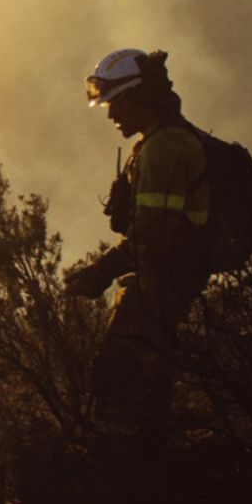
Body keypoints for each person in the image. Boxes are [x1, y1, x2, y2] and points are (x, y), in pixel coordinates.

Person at [65, 49, 211, 460]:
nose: (111, 115)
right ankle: (151, 451)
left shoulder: (165, 148)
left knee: (114, 371)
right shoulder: (154, 142)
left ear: (138, 97)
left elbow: (153, 234)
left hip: (167, 277)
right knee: (149, 372)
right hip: (159, 275)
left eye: (115, 104)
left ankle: (123, 464)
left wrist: (99, 272)